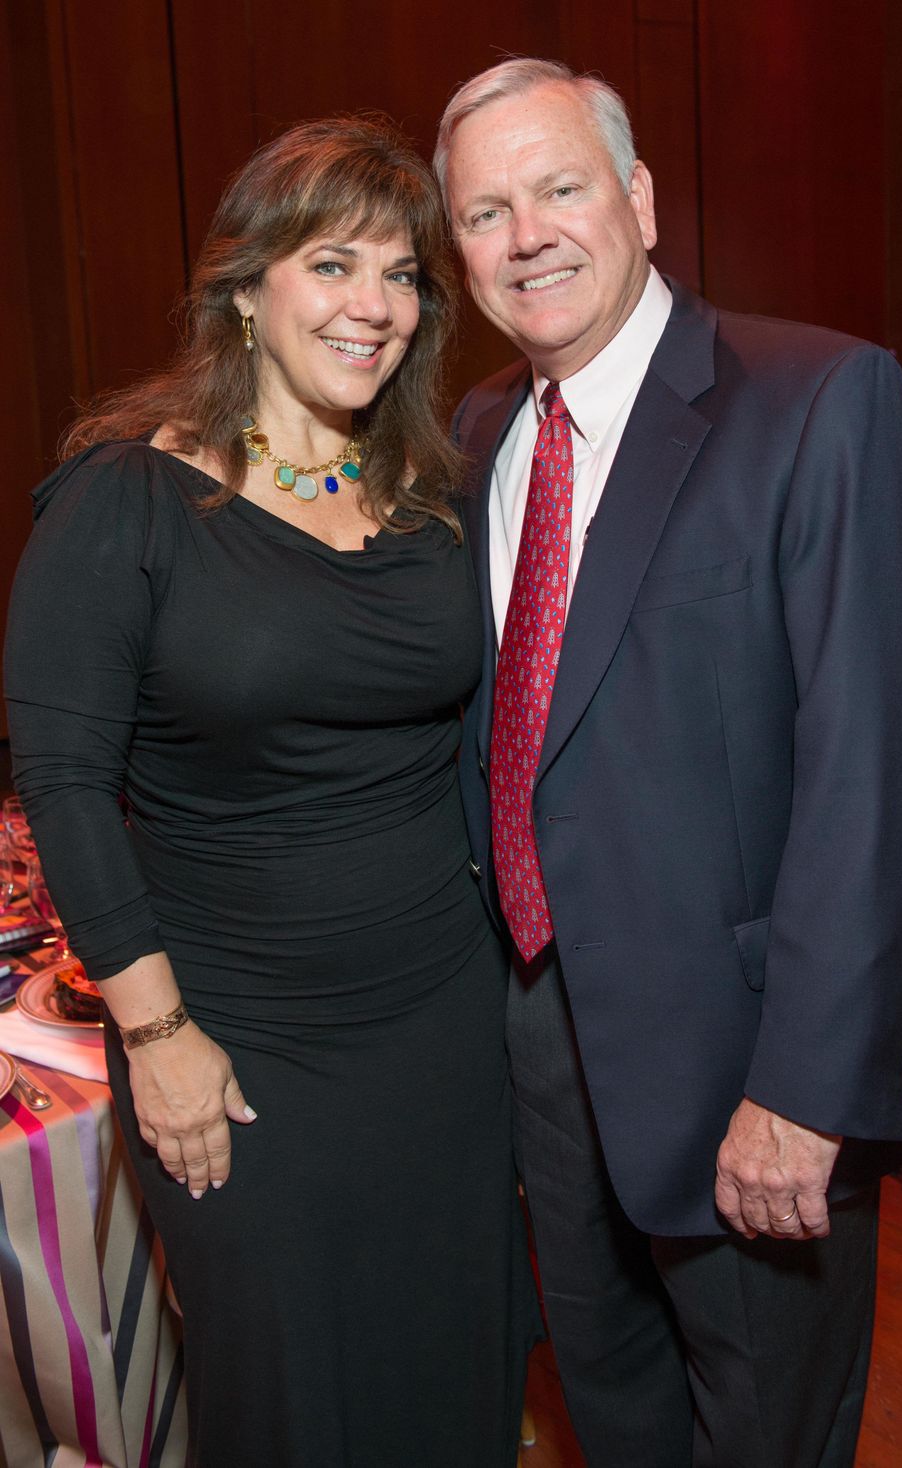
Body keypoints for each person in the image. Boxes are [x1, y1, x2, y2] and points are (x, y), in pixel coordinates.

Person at [434, 58, 902, 1468]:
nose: (528, 232)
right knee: (615, 1419)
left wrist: (805, 1086)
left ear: (641, 199)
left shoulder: (816, 400)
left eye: (559, 188)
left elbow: (886, 774)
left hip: (749, 1073)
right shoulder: (480, 437)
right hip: (549, 1050)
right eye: (486, 212)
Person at [4, 117, 537, 1468]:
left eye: (405, 273)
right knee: (294, 1404)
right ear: (246, 286)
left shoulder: (434, 501)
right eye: (333, 264)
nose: (377, 306)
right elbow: (64, 781)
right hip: (237, 1051)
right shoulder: (126, 498)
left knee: (457, 1370)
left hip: (444, 1031)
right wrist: (159, 1035)